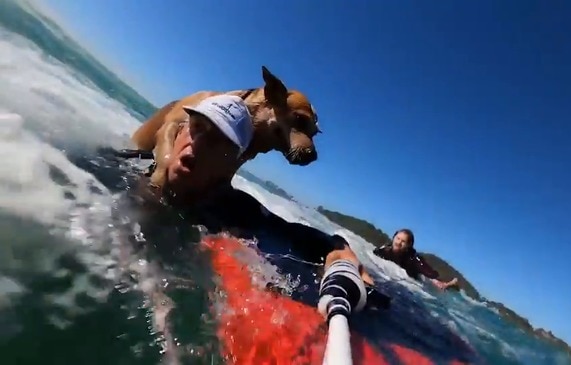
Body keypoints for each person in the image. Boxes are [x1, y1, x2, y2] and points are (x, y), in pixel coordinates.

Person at [126, 94, 383, 300]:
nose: (197, 145)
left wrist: (338, 251)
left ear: (233, 162)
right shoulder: (114, 171)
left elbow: (299, 235)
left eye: (217, 141)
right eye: (196, 128)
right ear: (182, 130)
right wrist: (159, 180)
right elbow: (168, 127)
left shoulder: (229, 204)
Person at [373, 229, 459, 290]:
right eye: (398, 238)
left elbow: (426, 271)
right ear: (394, 237)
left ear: (409, 245)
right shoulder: (386, 249)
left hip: (415, 276)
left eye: (403, 241)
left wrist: (436, 282)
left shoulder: (413, 258)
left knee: (434, 279)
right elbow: (373, 254)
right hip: (399, 271)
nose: (398, 243)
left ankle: (451, 284)